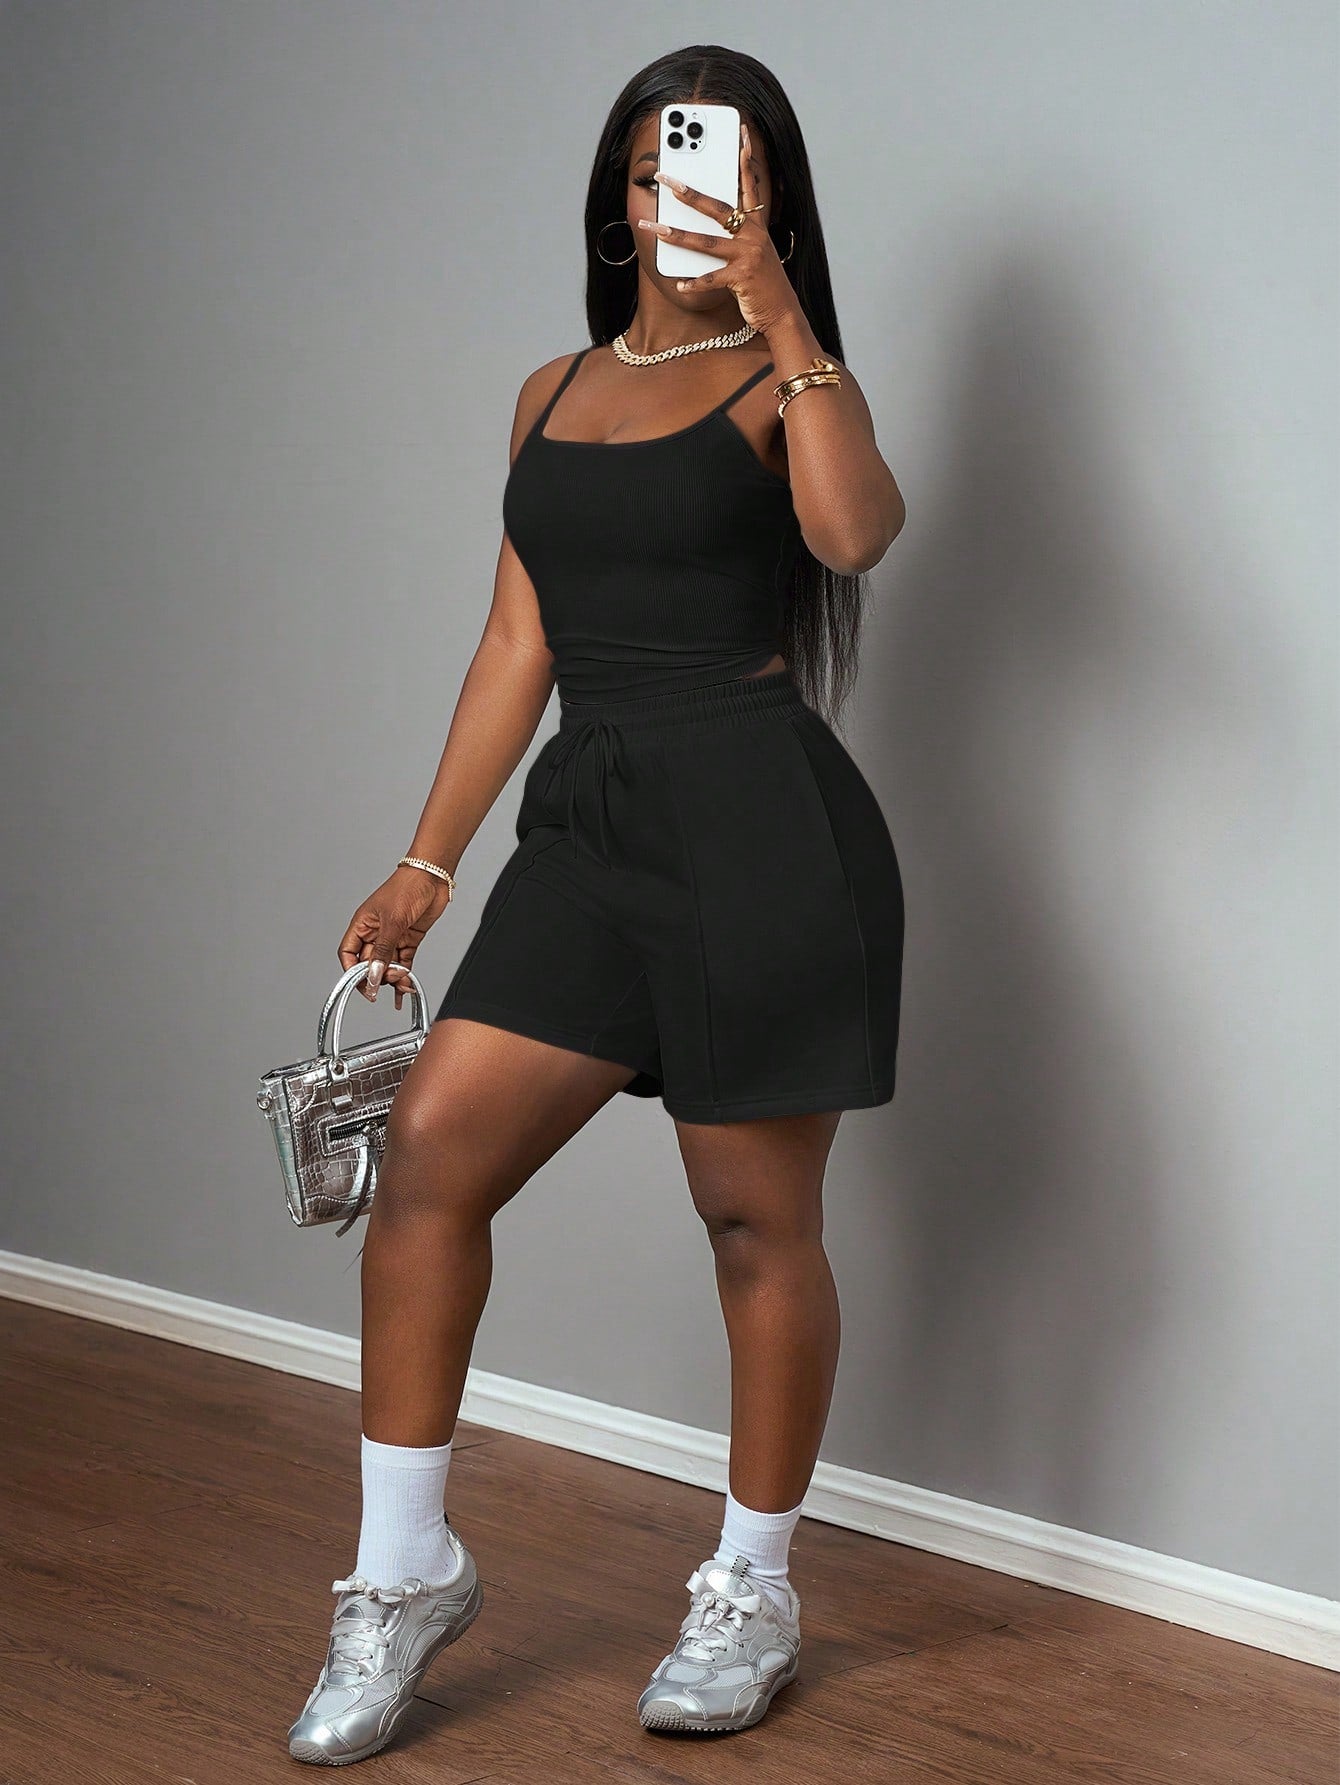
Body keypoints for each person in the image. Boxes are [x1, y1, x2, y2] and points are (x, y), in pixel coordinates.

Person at [287, 43, 906, 1765]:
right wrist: (427, 863)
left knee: (752, 1220)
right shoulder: (549, 391)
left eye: (713, 172)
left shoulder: (787, 378)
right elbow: (519, 639)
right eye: (649, 170)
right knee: (431, 1155)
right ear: (615, 198)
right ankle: (402, 1573)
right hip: (593, 831)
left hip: (762, 829)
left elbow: (856, 535)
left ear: (767, 198)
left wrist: (782, 310)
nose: (672, 197)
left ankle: (753, 1586)